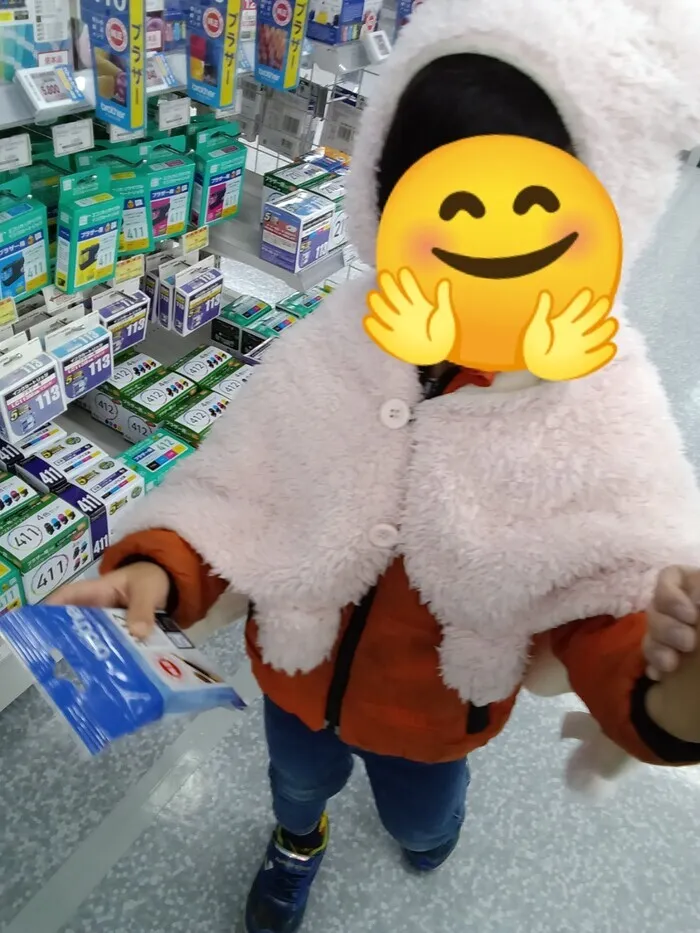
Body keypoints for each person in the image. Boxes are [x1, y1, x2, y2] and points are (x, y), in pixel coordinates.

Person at [52, 2, 700, 932]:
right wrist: (160, 569)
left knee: (420, 810)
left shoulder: (600, 407)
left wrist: (680, 681)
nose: (482, 235)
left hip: (435, 718)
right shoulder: (342, 337)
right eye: (440, 195)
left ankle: (430, 833)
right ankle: (297, 840)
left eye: (532, 199)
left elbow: (615, 602)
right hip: (294, 677)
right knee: (295, 781)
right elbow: (241, 486)